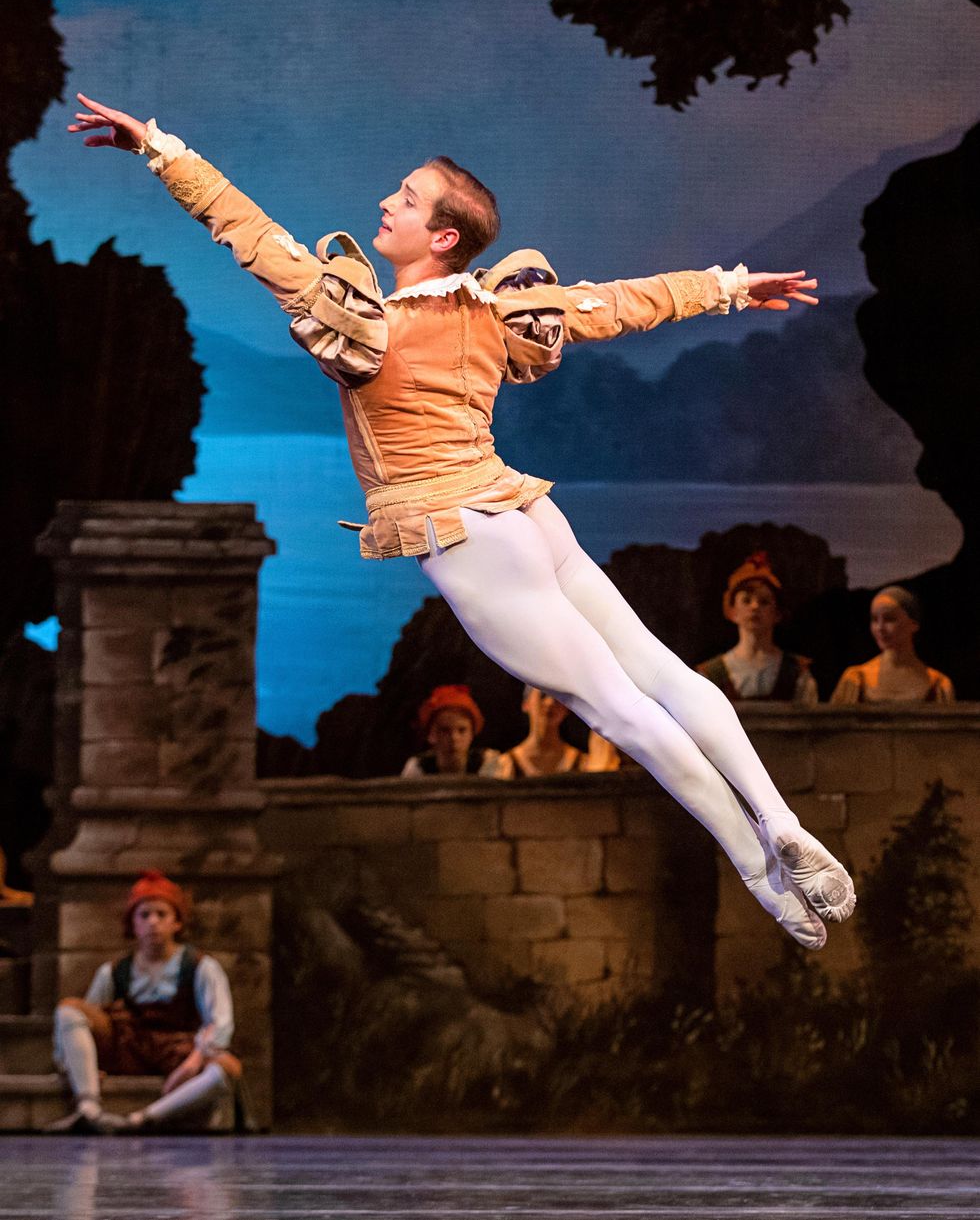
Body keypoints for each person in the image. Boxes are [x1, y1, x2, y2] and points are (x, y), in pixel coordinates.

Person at [67, 94, 855, 952]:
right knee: (662, 674)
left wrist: (158, 147)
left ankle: (762, 867)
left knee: (621, 708)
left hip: (465, 531)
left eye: (406, 198)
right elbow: (619, 303)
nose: (386, 204)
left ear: (441, 235)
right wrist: (734, 287)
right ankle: (777, 812)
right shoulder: (493, 308)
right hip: (529, 514)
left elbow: (250, 234)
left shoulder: (372, 321)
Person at [49, 869, 241, 1133]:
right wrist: (77, 1064)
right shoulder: (116, 971)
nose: (153, 922)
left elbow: (220, 1022)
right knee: (69, 1010)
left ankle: (141, 1119)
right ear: (133, 924)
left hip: (174, 1050)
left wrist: (194, 1061)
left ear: (177, 922)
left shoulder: (199, 967)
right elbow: (87, 1019)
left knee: (226, 1068)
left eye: (161, 915)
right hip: (129, 1047)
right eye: (144, 915)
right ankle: (89, 1109)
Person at [698, 552, 818, 705]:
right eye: (746, 601)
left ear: (777, 613)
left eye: (764, 602)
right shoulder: (710, 674)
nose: (754, 607)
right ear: (732, 611)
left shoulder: (797, 673)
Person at [831, 585, 954, 704]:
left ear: (913, 623)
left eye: (890, 619)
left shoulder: (938, 683)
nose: (880, 628)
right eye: (874, 620)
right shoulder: (856, 678)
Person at [400, 684, 499, 776]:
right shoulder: (417, 767)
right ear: (431, 734)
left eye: (462, 730)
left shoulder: (487, 762)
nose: (454, 738)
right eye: (445, 730)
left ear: (472, 734)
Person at [494, 685, 587, 777]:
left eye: (558, 699)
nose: (550, 703)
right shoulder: (506, 761)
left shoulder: (580, 762)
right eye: (543, 695)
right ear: (526, 704)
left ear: (567, 709)